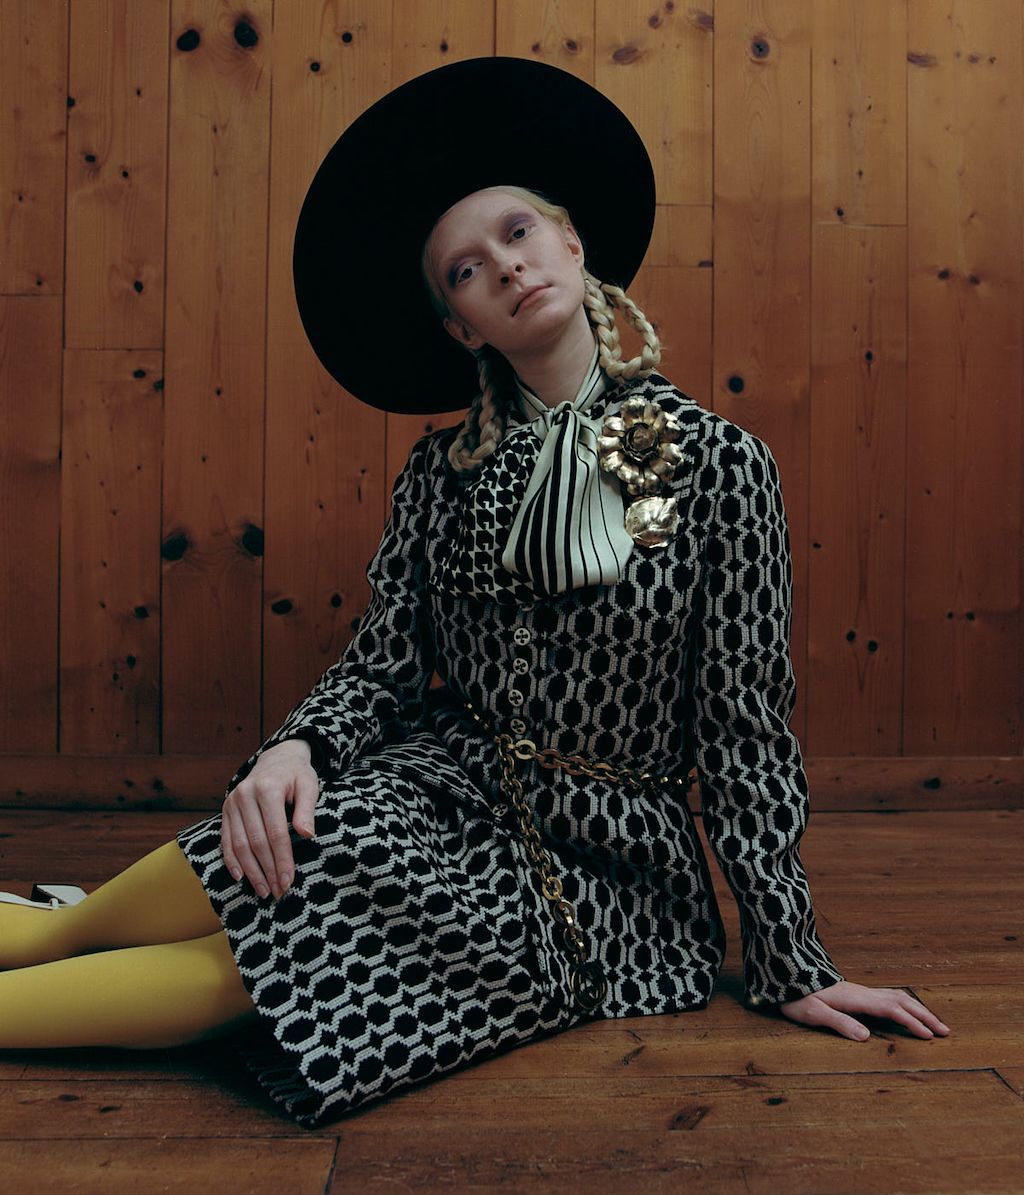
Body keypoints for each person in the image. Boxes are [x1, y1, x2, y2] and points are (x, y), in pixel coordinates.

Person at [0, 58, 949, 1127]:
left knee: (285, 959)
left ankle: (42, 947)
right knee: (301, 844)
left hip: (606, 870)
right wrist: (292, 748)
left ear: (572, 244)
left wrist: (789, 958)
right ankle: (46, 934)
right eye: (464, 270)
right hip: (443, 787)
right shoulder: (443, 475)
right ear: (462, 327)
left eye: (518, 232)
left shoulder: (721, 466)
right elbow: (384, 664)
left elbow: (744, 731)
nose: (504, 267)